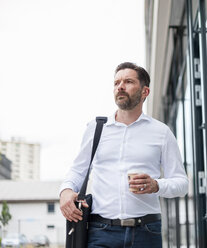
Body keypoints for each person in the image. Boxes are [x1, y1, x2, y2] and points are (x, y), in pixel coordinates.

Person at [59, 62, 189, 247]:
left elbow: (182, 184)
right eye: (116, 82)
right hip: (101, 232)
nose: (120, 86)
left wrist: (156, 185)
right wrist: (65, 191)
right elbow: (77, 171)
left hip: (147, 232)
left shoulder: (162, 132)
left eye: (128, 81)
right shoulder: (96, 129)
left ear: (145, 92)